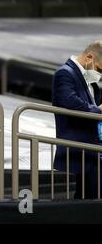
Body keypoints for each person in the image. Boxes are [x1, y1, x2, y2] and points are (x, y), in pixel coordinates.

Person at [52, 41, 102, 199]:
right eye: (100, 69)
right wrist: (99, 110)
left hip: (92, 147)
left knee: (91, 196)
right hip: (80, 147)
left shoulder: (87, 77)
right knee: (89, 200)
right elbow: (72, 103)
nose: (101, 74)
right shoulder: (65, 73)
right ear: (89, 57)